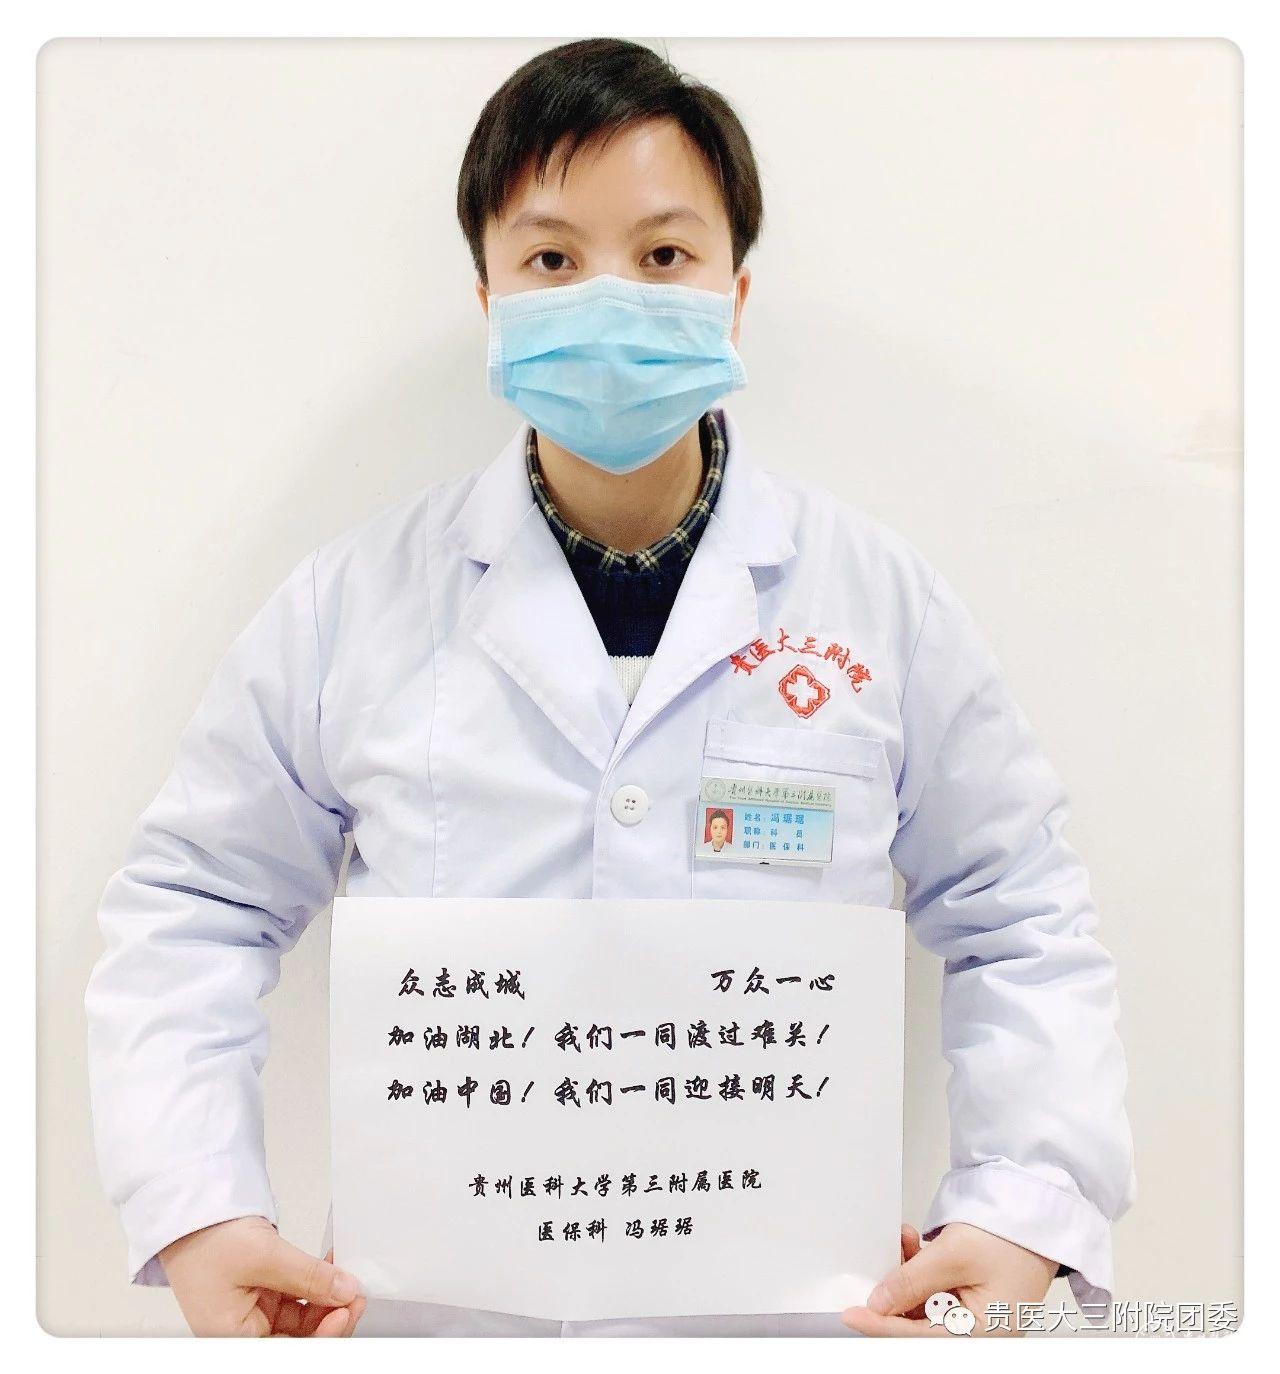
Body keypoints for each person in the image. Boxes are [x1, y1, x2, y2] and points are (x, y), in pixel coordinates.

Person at [84, 37, 1135, 1338]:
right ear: (488, 298)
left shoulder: (879, 602)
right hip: (447, 1322)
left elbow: (1020, 911)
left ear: (734, 295)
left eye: (663, 254)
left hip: (787, 1325)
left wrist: (1025, 1203)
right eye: (551, 260)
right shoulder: (348, 605)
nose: (608, 299)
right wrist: (195, 1203)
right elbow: (197, 908)